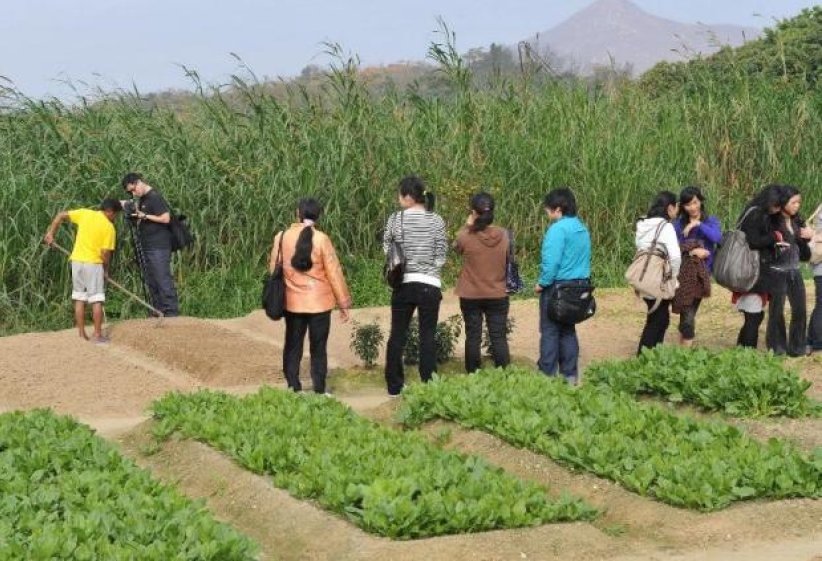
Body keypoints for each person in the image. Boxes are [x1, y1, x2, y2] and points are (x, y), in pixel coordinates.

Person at [269, 198, 352, 394]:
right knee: (318, 347)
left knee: (292, 345)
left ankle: (293, 387)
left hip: (292, 303)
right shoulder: (322, 239)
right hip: (320, 303)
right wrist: (343, 303)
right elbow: (334, 273)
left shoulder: (282, 237)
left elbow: (273, 268)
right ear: (318, 216)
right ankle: (320, 389)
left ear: (297, 213)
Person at [383, 175, 447, 397]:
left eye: (400, 195)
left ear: (408, 197)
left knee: (397, 335)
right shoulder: (436, 220)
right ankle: (429, 385)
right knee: (427, 335)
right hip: (430, 284)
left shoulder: (395, 219)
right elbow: (441, 254)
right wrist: (429, 268)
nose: (398, 198)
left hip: (404, 283)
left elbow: (388, 250)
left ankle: (394, 387)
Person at [44, 199, 122, 342]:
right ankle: (97, 335)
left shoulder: (85, 213)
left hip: (77, 262)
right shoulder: (109, 227)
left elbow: (61, 215)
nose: (115, 218)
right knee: (96, 299)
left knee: (79, 298)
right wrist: (105, 270)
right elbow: (105, 253)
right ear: (110, 212)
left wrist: (51, 233)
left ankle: (81, 333)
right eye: (116, 215)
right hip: (93, 264)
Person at [535, 187, 591, 384]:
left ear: (558, 209)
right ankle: (570, 375)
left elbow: (551, 263)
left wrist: (542, 283)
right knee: (568, 330)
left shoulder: (557, 229)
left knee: (550, 331)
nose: (546, 211)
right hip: (578, 287)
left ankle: (547, 375)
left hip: (557, 288)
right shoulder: (582, 228)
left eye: (548, 208)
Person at [453, 192, 510, 374]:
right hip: (498, 292)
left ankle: (473, 375)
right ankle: (504, 376)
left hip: (471, 294)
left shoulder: (465, 235)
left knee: (473, 336)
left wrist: (468, 225)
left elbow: (456, 248)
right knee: (498, 337)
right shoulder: (505, 235)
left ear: (473, 212)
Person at [733, 185, 787, 349]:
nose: (777, 209)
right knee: (754, 316)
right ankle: (748, 354)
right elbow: (754, 241)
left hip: (750, 271)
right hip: (753, 272)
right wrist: (774, 236)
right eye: (776, 205)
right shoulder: (756, 214)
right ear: (767, 201)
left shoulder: (753, 211)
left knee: (754, 316)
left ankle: (741, 351)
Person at [121, 172, 180, 317]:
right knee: (151, 280)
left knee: (162, 278)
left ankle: (171, 313)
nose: (133, 193)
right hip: (147, 245)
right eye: (130, 192)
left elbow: (165, 218)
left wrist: (145, 216)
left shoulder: (154, 197)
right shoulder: (143, 199)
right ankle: (158, 311)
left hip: (158, 246)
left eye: (133, 189)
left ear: (138, 182)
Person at [765, 185, 812, 356]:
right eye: (793, 202)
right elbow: (764, 246)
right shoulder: (771, 221)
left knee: (800, 310)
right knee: (776, 312)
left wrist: (807, 237)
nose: (797, 206)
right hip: (776, 271)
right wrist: (775, 245)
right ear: (783, 202)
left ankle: (797, 347)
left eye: (799, 202)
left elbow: (805, 254)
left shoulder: (798, 221)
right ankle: (777, 347)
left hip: (795, 270)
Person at [672, 186, 722, 346]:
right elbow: (674, 247)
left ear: (700, 201)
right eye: (688, 204)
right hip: (683, 271)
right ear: (683, 206)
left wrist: (698, 224)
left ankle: (684, 347)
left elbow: (717, 238)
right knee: (686, 311)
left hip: (702, 273)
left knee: (688, 312)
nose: (692, 207)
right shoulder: (678, 224)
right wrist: (692, 251)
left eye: (695, 202)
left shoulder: (711, 221)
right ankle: (684, 347)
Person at [635, 191, 681, 354]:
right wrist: (673, 277)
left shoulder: (642, 224)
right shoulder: (666, 227)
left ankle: (652, 356)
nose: (677, 210)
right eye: (676, 207)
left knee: (658, 318)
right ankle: (645, 357)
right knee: (658, 321)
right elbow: (675, 257)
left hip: (644, 276)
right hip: (659, 279)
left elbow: (640, 246)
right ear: (670, 208)